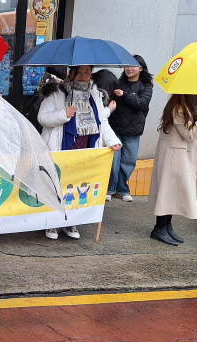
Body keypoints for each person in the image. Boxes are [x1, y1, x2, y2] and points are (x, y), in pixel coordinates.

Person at [38, 65, 121, 240]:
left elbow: (101, 121)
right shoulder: (57, 92)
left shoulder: (95, 94)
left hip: (85, 147)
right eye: (80, 72)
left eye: (87, 72)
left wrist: (112, 141)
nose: (83, 76)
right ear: (71, 73)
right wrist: (63, 113)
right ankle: (53, 222)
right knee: (58, 184)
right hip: (61, 146)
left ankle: (71, 221)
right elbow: (42, 118)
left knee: (77, 185)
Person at [148, 94, 197, 246]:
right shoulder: (179, 109)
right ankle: (159, 228)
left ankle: (166, 226)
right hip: (175, 158)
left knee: (172, 194)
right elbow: (189, 134)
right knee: (168, 194)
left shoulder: (181, 108)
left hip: (177, 157)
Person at [106, 55, 154, 202]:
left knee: (128, 161)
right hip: (115, 128)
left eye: (133, 66)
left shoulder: (146, 86)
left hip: (133, 131)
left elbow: (141, 104)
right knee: (114, 161)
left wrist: (125, 94)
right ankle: (110, 189)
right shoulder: (118, 83)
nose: (129, 68)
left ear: (141, 69)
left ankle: (122, 189)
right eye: (127, 65)